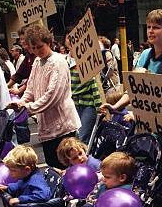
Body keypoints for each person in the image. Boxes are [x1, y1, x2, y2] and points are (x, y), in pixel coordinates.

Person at [10, 24, 80, 169]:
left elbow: (53, 95)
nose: (37, 51)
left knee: (67, 167)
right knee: (53, 165)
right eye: (33, 48)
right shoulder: (36, 61)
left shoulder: (58, 62)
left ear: (49, 43)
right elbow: (31, 88)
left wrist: (28, 108)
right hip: (47, 126)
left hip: (62, 126)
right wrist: (21, 103)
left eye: (40, 47)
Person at [102, 10, 162, 115]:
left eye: (156, 27)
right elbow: (134, 89)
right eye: (148, 27)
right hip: (149, 121)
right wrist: (115, 106)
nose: (150, 31)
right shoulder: (145, 54)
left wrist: (138, 113)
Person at [63, 31, 103, 144]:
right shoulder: (63, 61)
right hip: (70, 104)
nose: (71, 40)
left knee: (83, 137)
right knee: (73, 137)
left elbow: (94, 85)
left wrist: (100, 107)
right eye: (68, 37)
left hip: (88, 104)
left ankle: (83, 160)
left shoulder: (87, 60)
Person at [8, 26, 36, 96]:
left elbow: (33, 78)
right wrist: (6, 86)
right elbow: (19, 74)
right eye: (21, 39)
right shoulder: (28, 55)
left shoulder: (37, 56)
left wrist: (20, 90)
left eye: (24, 39)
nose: (22, 41)